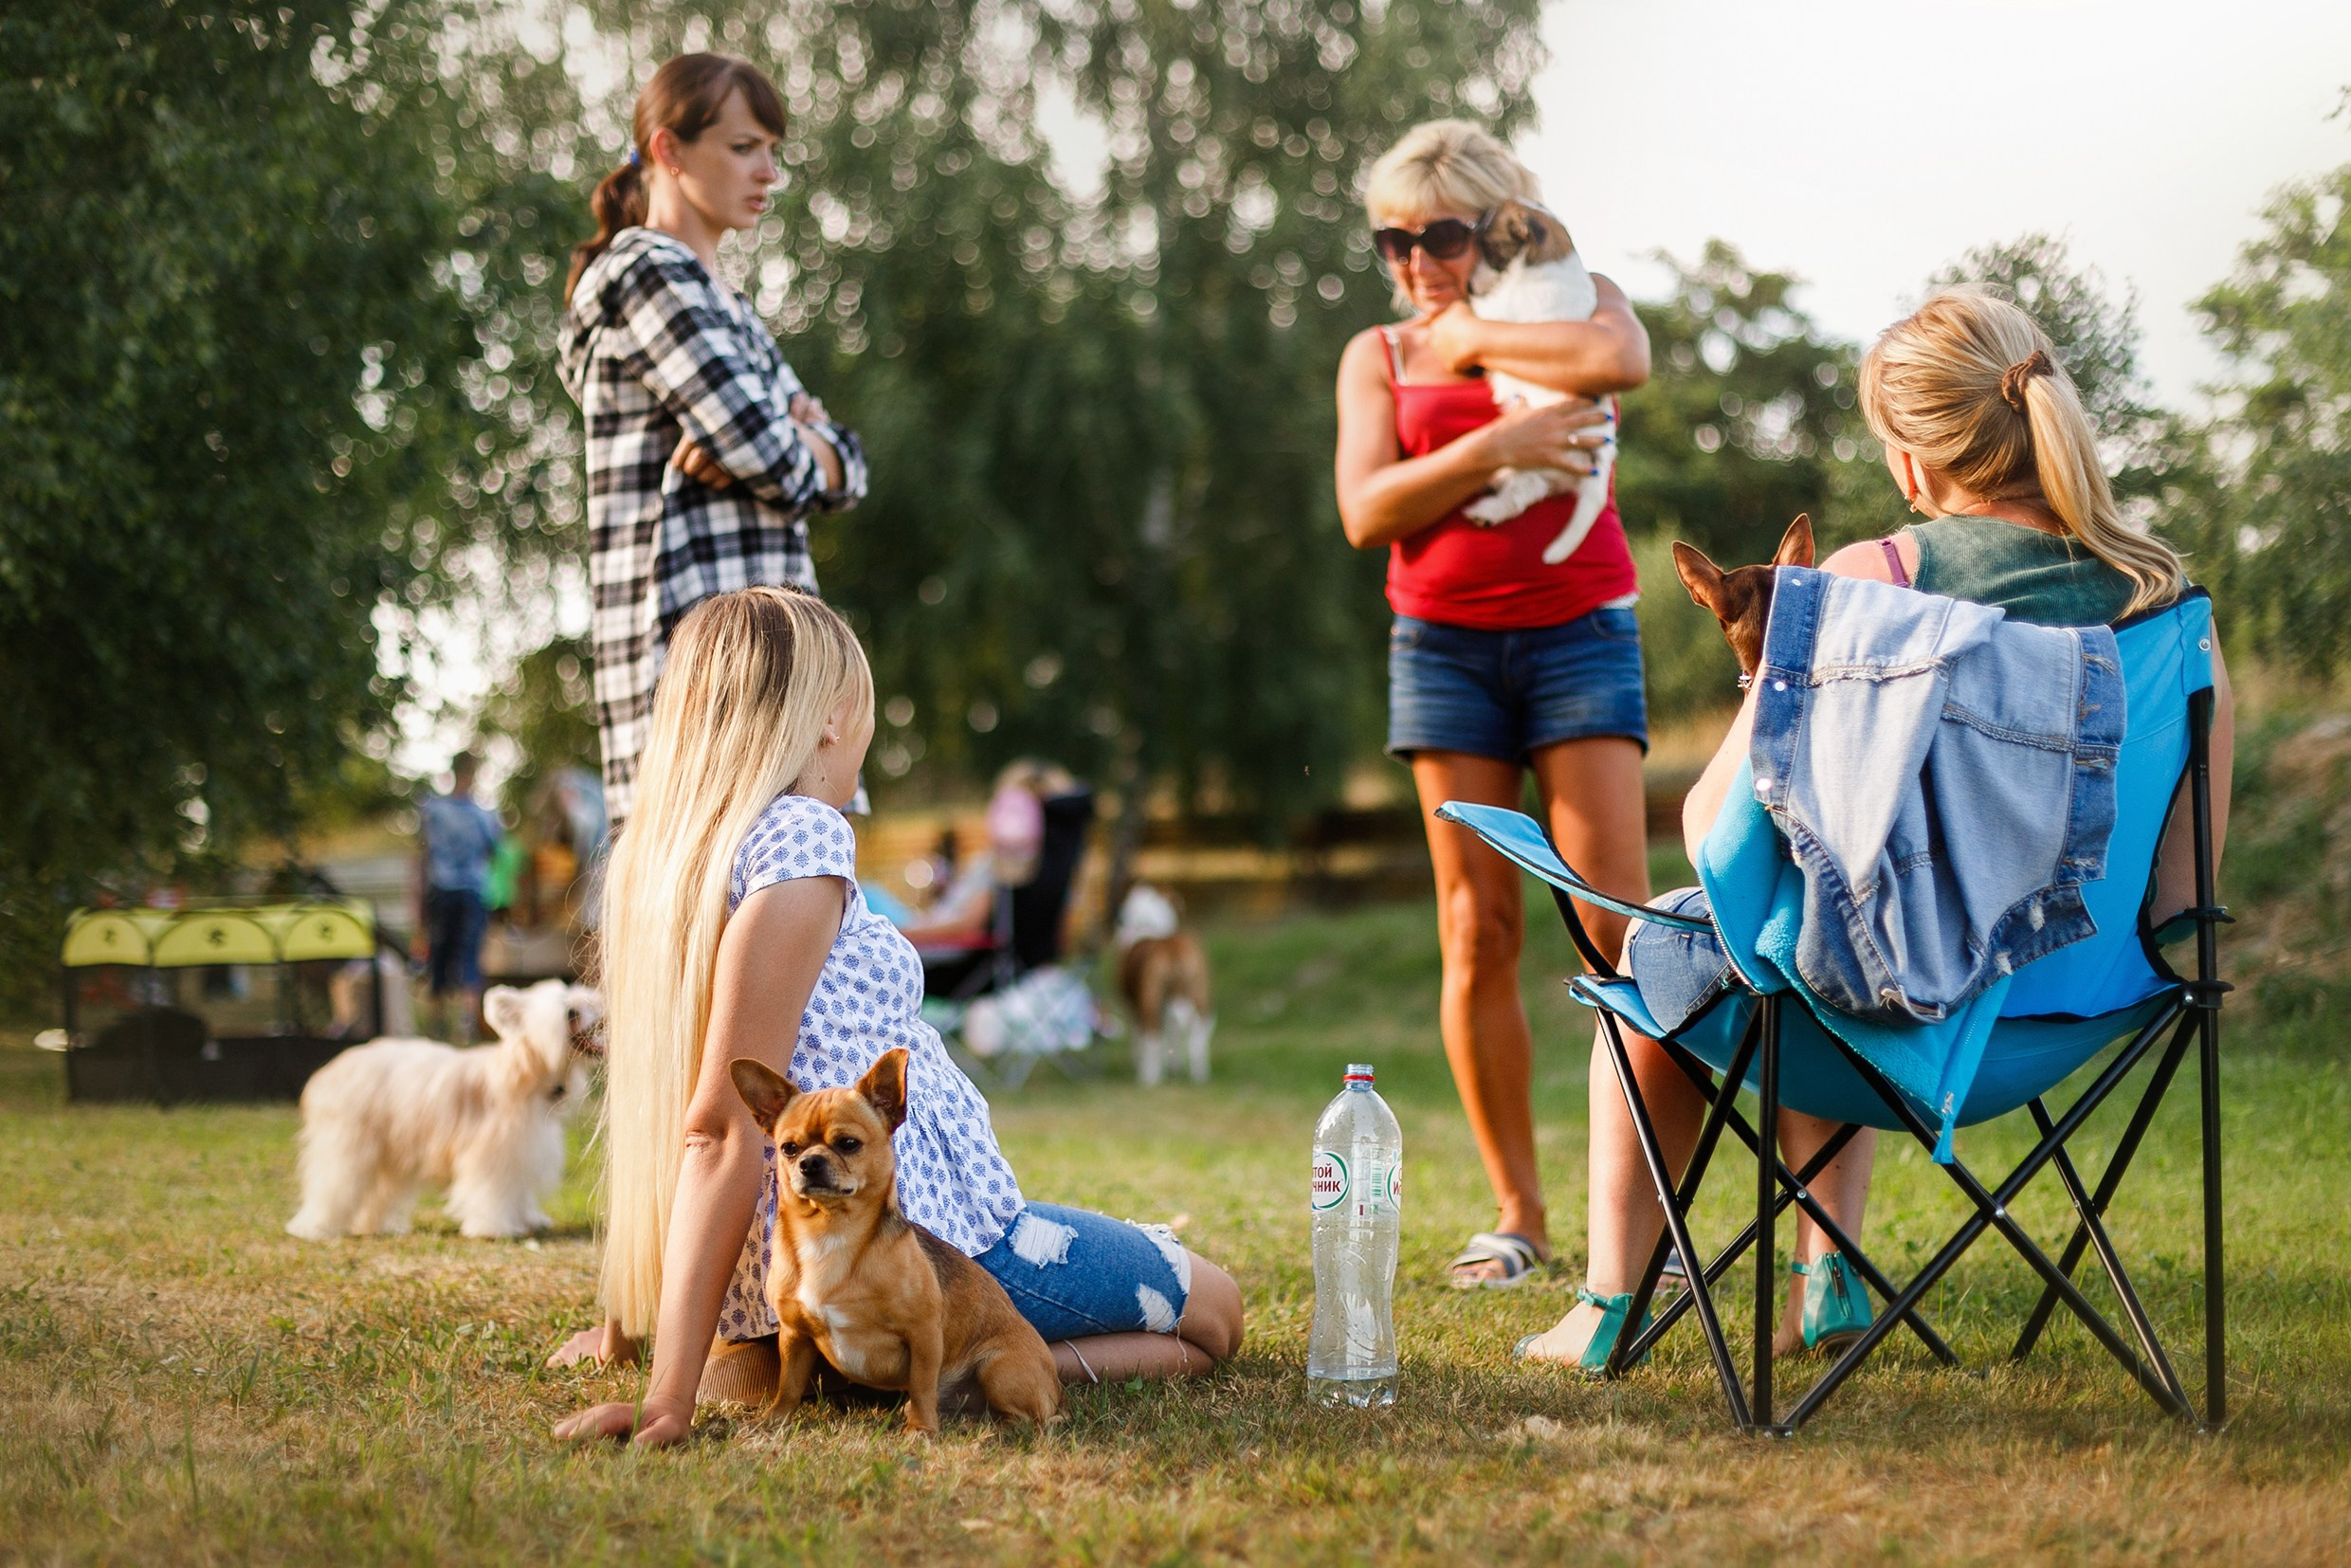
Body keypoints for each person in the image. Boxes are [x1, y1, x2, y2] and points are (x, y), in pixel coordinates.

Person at [1519, 288, 2235, 1368]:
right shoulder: (2172, 610)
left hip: (1878, 1022)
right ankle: (1828, 1276)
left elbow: (1716, 831)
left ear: (1910, 461)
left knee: (1706, 937)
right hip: (2070, 1025)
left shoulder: (1870, 584)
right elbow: (2183, 893)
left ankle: (1607, 1304)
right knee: (1843, 918)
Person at [551, 589, 1243, 1443]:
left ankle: (858, 1366)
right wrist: (668, 1403)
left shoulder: (663, 863)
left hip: (792, 1273)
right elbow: (723, 1129)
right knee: (1214, 1313)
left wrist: (649, 1338)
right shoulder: (801, 840)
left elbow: (688, 1124)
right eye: (867, 712)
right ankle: (954, 1363)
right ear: (831, 718)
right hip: (919, 1245)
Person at [1333, 120, 1653, 1288]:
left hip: (1580, 634)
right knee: (1478, 931)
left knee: (1618, 928)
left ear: (1494, 223)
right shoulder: (1377, 352)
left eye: (1443, 234)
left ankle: (1652, 1220)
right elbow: (1366, 509)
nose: (1416, 261)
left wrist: (1479, 338)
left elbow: (1620, 365)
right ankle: (1518, 1212)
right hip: (1444, 651)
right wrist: (1501, 442)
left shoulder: (1583, 303)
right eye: (1393, 240)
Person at [558, 53, 868, 832]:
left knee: (802, 917)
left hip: (769, 669)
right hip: (707, 674)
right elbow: (780, 460)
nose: (768, 171)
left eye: (773, 149)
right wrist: (795, 439)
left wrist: (803, 444)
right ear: (668, 150)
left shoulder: (724, 300)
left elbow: (841, 469)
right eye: (742, 147)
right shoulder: (647, 272)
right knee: (739, 927)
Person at [414, 752, 503, 1044]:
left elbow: (422, 856)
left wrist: (418, 904)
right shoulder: (485, 815)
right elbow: (495, 852)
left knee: (439, 957)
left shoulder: (433, 811)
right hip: (472, 893)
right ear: (474, 773)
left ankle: (437, 1026)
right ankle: (464, 1029)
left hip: (441, 890)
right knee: (469, 958)